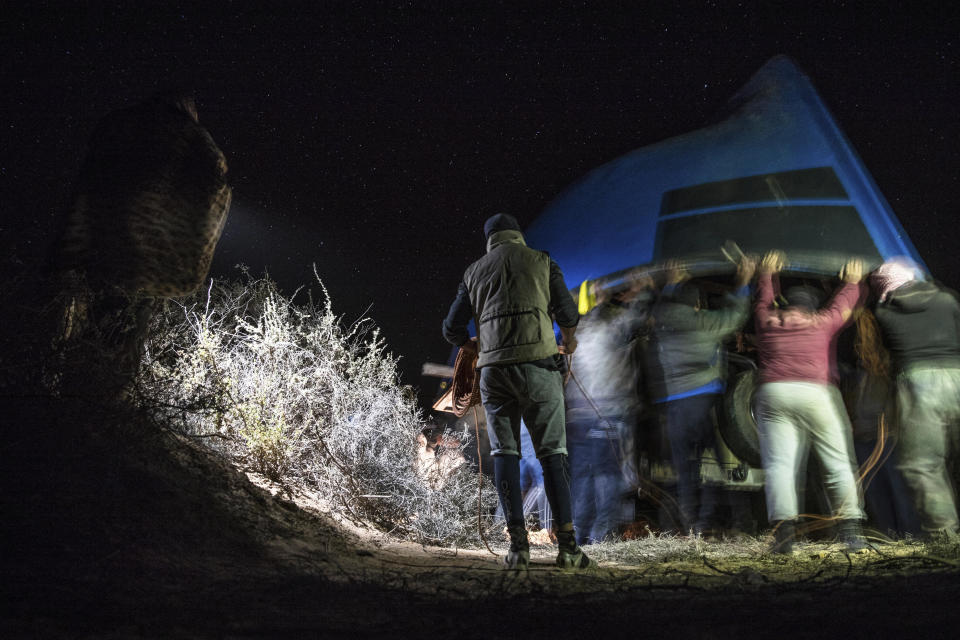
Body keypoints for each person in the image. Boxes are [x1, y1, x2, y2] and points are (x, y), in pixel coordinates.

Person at [443, 213, 595, 570]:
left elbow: (451, 328)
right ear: (518, 236)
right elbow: (568, 315)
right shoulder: (542, 261)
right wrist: (568, 342)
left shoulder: (473, 272)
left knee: (505, 454)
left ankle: (518, 549)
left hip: (494, 374)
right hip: (540, 368)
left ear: (490, 240)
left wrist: (471, 346)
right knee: (552, 454)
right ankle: (569, 549)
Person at [753, 250, 867, 553]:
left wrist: (768, 274)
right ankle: (851, 532)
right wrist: (853, 282)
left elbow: (763, 300)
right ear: (813, 305)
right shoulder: (822, 322)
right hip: (815, 393)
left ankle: (784, 536)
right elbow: (843, 304)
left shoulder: (766, 320)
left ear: (787, 303)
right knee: (837, 462)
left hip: (773, 392)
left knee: (780, 466)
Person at [646, 255, 755, 536]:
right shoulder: (704, 322)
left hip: (673, 407)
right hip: (705, 404)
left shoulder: (661, 321)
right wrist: (743, 282)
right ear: (696, 304)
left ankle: (690, 526)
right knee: (721, 467)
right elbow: (735, 316)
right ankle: (736, 522)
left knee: (685, 471)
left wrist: (669, 286)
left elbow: (660, 307)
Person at [869, 258, 960, 541]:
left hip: (917, 382)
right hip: (957, 375)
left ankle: (945, 535)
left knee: (923, 464)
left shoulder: (883, 311)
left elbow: (885, 350)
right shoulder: (948, 300)